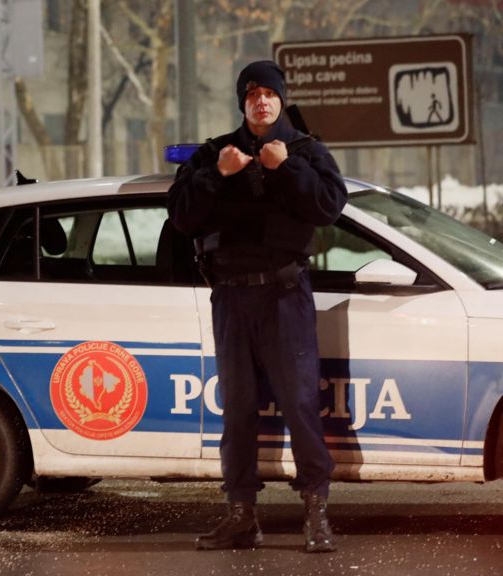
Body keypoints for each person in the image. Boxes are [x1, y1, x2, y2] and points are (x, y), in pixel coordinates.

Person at [168, 61, 347, 553]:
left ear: (282, 99)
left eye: (270, 93)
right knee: (238, 410)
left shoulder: (305, 152)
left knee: (300, 404)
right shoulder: (215, 154)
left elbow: (330, 207)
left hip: (285, 296)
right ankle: (241, 515)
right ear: (242, 102)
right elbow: (180, 215)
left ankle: (316, 512)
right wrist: (218, 175)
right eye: (252, 94)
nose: (261, 101)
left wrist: (285, 168)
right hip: (231, 296)